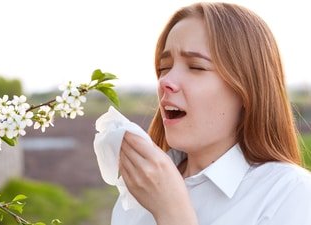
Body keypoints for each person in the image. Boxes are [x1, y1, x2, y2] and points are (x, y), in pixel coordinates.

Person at [113, 2, 311, 225]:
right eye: (164, 68)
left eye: (196, 67)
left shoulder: (291, 194)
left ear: (247, 89)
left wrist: (172, 213)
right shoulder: (140, 188)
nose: (165, 81)